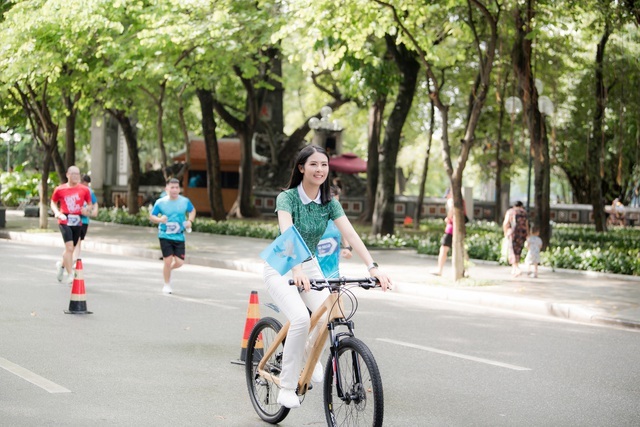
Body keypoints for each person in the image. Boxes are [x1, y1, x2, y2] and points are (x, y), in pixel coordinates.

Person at [264, 145, 391, 409]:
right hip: (282, 263)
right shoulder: (287, 198)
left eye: (324, 164)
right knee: (301, 318)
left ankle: (310, 355)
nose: (319, 169)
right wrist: (296, 269)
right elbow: (287, 233)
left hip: (309, 264)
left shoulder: (329, 202)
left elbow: (351, 234)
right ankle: (286, 387)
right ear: (301, 168)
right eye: (313, 164)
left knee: (329, 314)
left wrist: (373, 267)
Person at [149, 178, 196, 295]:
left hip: (179, 236)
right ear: (166, 189)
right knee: (168, 260)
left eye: (177, 187)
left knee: (179, 262)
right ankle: (167, 284)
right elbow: (152, 216)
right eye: (172, 187)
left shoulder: (185, 201)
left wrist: (190, 221)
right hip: (165, 235)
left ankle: (167, 270)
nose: (174, 190)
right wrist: (160, 219)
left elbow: (192, 210)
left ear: (179, 189)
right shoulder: (160, 202)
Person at [50, 165, 94, 285]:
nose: (75, 176)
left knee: (71, 249)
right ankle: (70, 275)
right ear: (67, 175)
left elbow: (90, 204)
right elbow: (53, 202)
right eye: (73, 174)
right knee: (69, 248)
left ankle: (61, 266)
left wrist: (87, 209)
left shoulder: (84, 190)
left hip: (77, 220)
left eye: (77, 174)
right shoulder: (60, 189)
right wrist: (57, 212)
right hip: (64, 219)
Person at [73, 174, 99, 262]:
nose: (86, 185)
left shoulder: (89, 191)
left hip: (84, 221)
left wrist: (92, 212)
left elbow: (95, 204)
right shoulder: (75, 190)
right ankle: (73, 259)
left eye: (87, 184)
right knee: (76, 241)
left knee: (78, 241)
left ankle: (74, 259)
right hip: (74, 220)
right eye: (84, 183)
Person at [503, 201, 529, 277]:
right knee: (518, 250)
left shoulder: (510, 211)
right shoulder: (524, 212)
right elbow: (526, 224)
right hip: (522, 233)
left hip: (512, 233)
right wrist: (527, 234)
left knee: (512, 250)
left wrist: (505, 232)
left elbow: (506, 222)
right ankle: (515, 266)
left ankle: (515, 268)